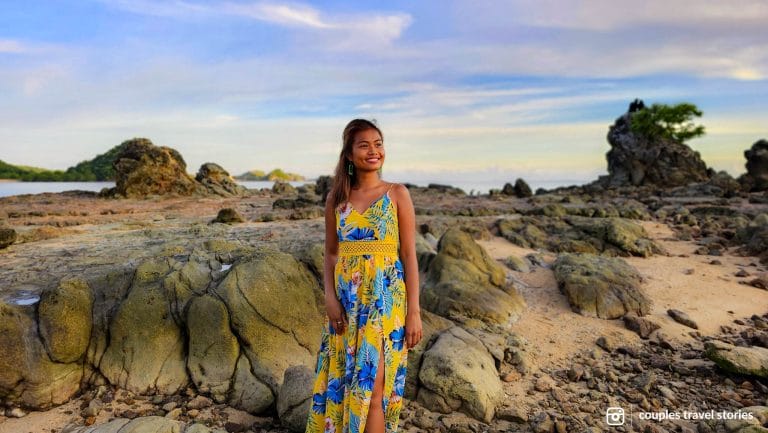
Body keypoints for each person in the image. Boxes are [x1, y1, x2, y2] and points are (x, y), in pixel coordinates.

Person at [305, 119, 423, 433]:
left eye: (378, 144)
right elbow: (331, 254)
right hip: (347, 304)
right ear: (349, 154)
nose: (374, 151)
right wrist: (329, 298)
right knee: (349, 384)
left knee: (374, 388)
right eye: (364, 145)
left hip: (386, 303)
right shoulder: (336, 200)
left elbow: (408, 255)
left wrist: (414, 311)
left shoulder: (397, 194)